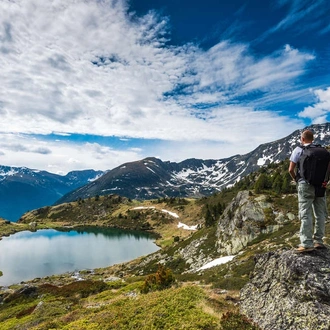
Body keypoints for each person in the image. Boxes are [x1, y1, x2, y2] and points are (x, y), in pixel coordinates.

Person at [288, 129, 328, 252]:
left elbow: (290, 169)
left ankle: (306, 243)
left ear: (303, 139)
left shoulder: (298, 150)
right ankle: (319, 241)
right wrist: (325, 181)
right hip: (321, 185)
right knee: (320, 213)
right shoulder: (323, 151)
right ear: (313, 139)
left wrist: (297, 180)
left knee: (305, 213)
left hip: (305, 185)